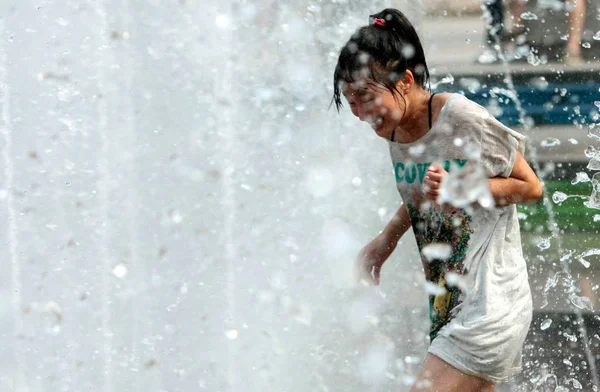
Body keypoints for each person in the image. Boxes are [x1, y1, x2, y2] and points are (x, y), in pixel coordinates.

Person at [332, 8, 543, 391]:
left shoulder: (457, 116)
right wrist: (387, 239)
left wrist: (462, 187)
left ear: (405, 81)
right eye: (351, 102)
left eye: (365, 96)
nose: (361, 113)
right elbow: (421, 195)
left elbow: (530, 187)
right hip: (450, 305)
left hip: (490, 303)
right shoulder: (396, 132)